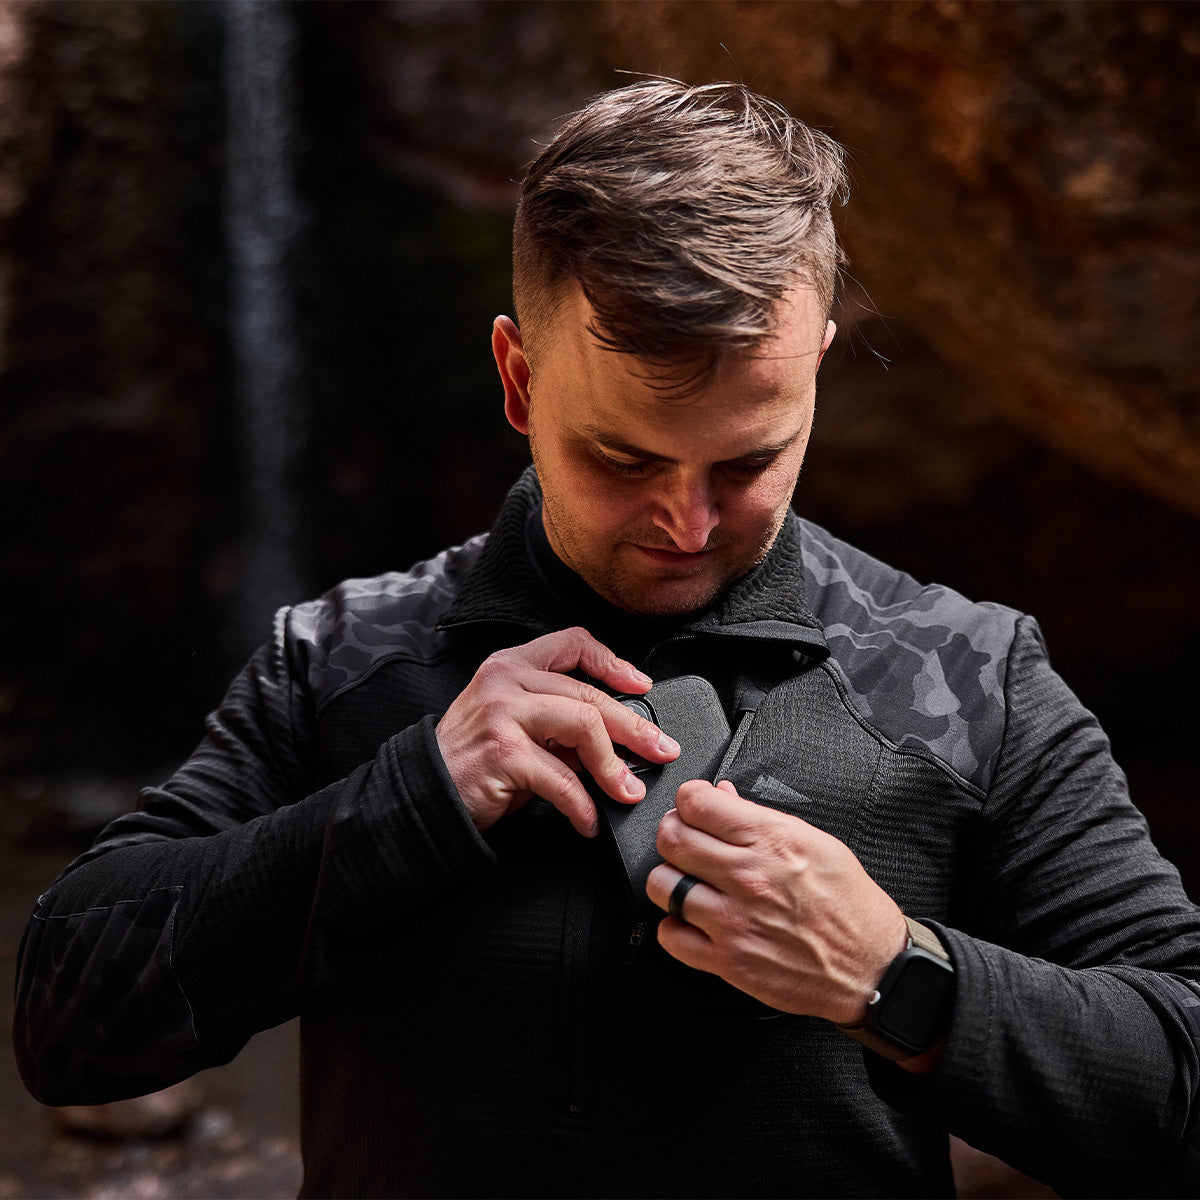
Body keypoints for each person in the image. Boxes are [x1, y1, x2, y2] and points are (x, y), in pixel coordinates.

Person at [13, 79, 1200, 1198]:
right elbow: (66, 1024)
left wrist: (898, 977)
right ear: (519, 380)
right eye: (622, 459)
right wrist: (409, 802)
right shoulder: (339, 659)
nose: (686, 523)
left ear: (819, 371)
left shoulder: (968, 675)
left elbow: (1181, 1077)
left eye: (748, 460)